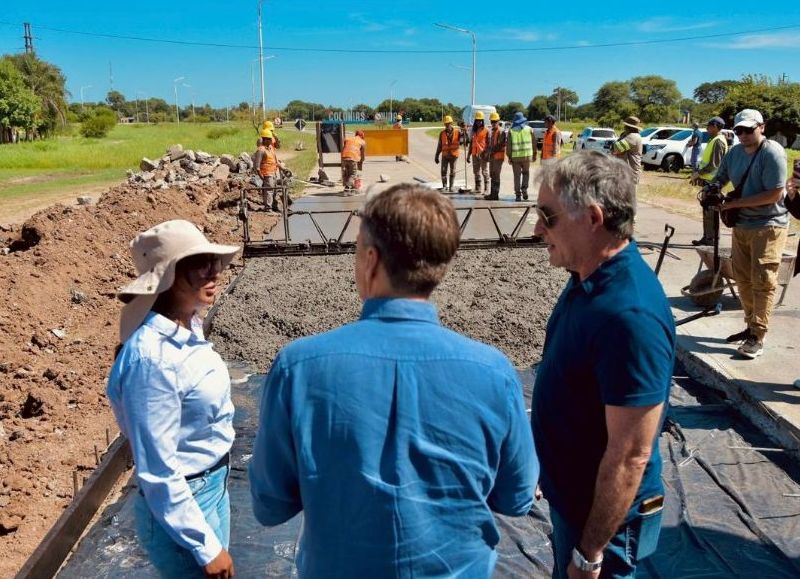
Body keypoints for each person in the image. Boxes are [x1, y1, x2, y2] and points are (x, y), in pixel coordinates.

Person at [249, 184, 538, 577]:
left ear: (371, 261)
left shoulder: (298, 366)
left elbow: (270, 504)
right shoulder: (495, 373)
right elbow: (517, 496)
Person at [531, 151, 676, 579]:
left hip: (602, 524)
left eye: (547, 216)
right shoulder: (586, 277)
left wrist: (589, 553)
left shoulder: (628, 315)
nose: (538, 229)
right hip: (573, 497)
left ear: (593, 218)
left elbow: (632, 453)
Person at [107, 219, 239, 578]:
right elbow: (158, 470)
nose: (214, 272)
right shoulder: (153, 359)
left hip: (210, 484)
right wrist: (204, 546)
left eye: (214, 262)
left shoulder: (187, 325)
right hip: (186, 499)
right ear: (168, 278)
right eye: (199, 265)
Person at [713, 108, 789, 359]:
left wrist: (734, 204)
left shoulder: (772, 152)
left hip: (769, 225)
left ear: (762, 127)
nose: (744, 135)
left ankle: (758, 335)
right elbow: (720, 177)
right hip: (742, 226)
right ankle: (750, 326)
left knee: (764, 281)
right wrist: (712, 189)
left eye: (749, 129)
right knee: (743, 279)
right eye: (739, 130)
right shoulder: (734, 152)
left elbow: (775, 194)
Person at [692, 117, 730, 246]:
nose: (707, 128)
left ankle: (711, 240)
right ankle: (707, 238)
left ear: (715, 126)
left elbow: (714, 164)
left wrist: (698, 173)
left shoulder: (718, 141)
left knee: (711, 213)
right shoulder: (714, 140)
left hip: (713, 183)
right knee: (707, 211)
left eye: (708, 126)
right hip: (708, 181)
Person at [506, 111, 536, 201]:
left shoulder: (511, 131)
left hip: (515, 157)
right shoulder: (530, 129)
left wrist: (509, 156)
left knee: (517, 176)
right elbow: (534, 143)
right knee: (526, 173)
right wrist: (534, 154)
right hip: (527, 156)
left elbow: (509, 146)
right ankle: (524, 190)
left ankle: (518, 195)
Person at [252, 130, 281, 212]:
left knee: (274, 190)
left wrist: (281, 167)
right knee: (269, 191)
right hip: (267, 174)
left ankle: (274, 207)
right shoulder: (261, 150)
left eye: (271, 139)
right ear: (264, 140)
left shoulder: (271, 148)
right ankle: (268, 208)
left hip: (273, 172)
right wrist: (262, 177)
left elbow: (275, 161)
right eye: (269, 139)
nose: (271, 140)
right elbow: (257, 167)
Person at [434, 115, 462, 192]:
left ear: (451, 123)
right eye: (446, 124)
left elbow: (463, 141)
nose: (447, 125)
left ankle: (451, 186)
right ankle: (444, 186)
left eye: (448, 123)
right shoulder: (442, 133)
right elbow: (439, 146)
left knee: (452, 171)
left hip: (454, 155)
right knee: (443, 170)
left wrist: (464, 131)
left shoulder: (457, 132)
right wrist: (436, 155)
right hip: (445, 155)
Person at [612, 116, 644, 184]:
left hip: (629, 174)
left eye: (625, 126)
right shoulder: (633, 136)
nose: (624, 127)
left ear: (628, 127)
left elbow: (616, 148)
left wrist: (622, 136)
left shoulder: (632, 136)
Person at [485, 111, 507, 200]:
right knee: (492, 175)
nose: (493, 123)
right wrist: (486, 152)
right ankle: (492, 194)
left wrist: (491, 152)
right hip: (493, 157)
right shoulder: (492, 131)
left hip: (498, 157)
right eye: (491, 121)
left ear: (498, 121)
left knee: (496, 175)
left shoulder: (501, 131)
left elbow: (500, 145)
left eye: (494, 121)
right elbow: (490, 145)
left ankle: (495, 195)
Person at [467, 111, 490, 195]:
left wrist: (486, 154)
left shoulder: (486, 130)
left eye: (480, 120)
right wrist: (468, 155)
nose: (479, 122)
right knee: (476, 172)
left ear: (482, 121)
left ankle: (486, 189)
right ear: (475, 121)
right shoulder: (473, 131)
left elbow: (489, 144)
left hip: (483, 154)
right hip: (474, 154)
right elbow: (471, 144)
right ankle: (478, 188)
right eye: (477, 120)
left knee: (485, 172)